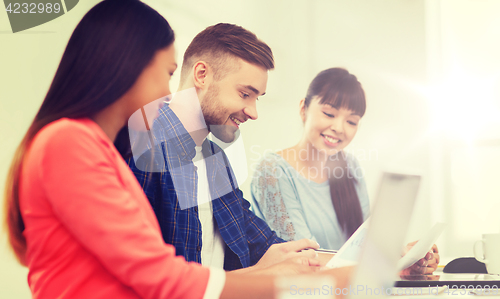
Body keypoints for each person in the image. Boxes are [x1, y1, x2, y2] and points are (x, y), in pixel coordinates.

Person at [3, 1, 322, 298]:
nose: (168, 92)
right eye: (245, 94)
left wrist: (300, 262)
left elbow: (253, 240)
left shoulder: (213, 159)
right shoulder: (126, 145)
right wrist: (281, 278)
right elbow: (155, 275)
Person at [127, 23, 322, 273]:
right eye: (244, 95)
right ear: (202, 75)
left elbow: (261, 243)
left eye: (256, 98)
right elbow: (139, 269)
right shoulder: (143, 143)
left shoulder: (215, 159)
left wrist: (320, 261)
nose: (253, 113)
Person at [250, 68, 440, 273]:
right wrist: (385, 264)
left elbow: (365, 244)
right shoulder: (272, 170)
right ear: (303, 109)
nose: (339, 128)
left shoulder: (350, 167)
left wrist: (402, 257)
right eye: (329, 114)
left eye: (351, 121)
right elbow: (303, 259)